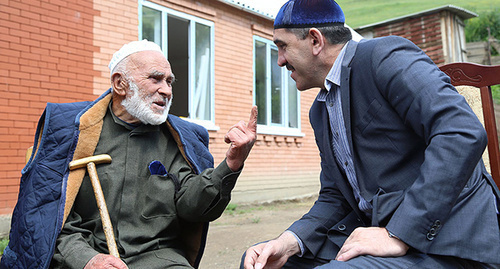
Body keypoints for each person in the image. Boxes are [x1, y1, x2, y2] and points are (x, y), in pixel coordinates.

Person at [242, 0, 500, 268]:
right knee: (259, 261)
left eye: (282, 46)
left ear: (315, 41)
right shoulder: (320, 112)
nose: (280, 60)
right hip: (379, 236)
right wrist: (290, 241)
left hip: (446, 242)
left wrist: (398, 233)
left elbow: (460, 130)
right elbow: (336, 196)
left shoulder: (385, 56)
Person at [1, 40, 257, 269]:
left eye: (169, 81)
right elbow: (48, 216)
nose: (166, 90)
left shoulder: (179, 139)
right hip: (85, 255)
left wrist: (231, 164)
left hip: (158, 258)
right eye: (155, 79)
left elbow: (193, 207)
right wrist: (85, 259)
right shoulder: (71, 133)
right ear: (120, 84)